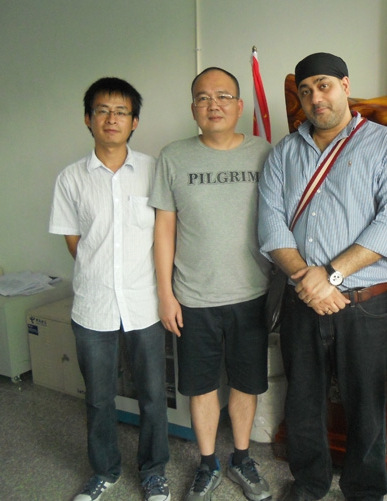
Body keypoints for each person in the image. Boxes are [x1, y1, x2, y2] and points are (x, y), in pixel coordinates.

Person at [258, 52, 387, 500]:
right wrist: (306, 280)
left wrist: (330, 275)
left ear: (345, 86)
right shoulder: (283, 153)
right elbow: (270, 224)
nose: (315, 98)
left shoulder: (386, 144)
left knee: (366, 403)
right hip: (302, 300)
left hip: (365, 303)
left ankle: (364, 490)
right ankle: (308, 483)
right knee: (303, 399)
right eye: (306, 91)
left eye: (324, 85)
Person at [149, 67, 273, 501]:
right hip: (193, 296)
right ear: (193, 109)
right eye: (203, 98)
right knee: (200, 386)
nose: (213, 105)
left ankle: (242, 458)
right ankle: (207, 463)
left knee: (246, 383)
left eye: (222, 96)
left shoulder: (264, 153)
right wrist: (165, 293)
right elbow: (164, 228)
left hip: (251, 293)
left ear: (239, 106)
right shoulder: (173, 156)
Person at [49, 77, 170, 501]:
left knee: (153, 395)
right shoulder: (70, 179)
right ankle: (104, 470)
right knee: (99, 398)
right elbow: (74, 243)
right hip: (94, 304)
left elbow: (166, 235)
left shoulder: (155, 171)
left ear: (134, 122)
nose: (111, 118)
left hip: (145, 303)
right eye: (102, 110)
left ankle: (153, 471)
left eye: (121, 111)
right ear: (88, 119)